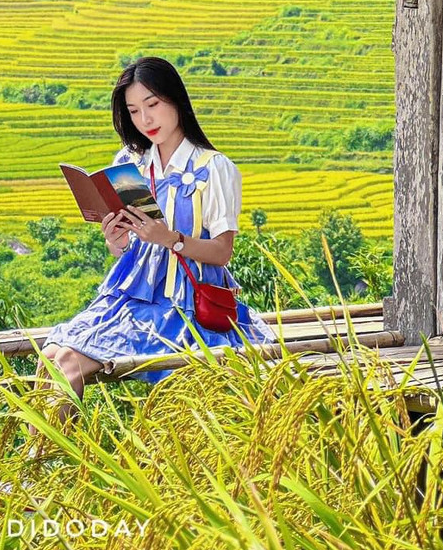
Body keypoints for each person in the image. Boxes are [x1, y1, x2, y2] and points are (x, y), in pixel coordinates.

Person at [41, 56, 274, 404]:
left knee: (67, 365)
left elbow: (223, 251)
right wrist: (116, 241)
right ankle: (48, 455)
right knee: (50, 359)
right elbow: (130, 248)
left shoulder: (214, 168)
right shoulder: (129, 164)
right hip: (127, 298)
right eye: (134, 111)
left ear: (176, 100)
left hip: (182, 305)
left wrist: (171, 240)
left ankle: (50, 457)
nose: (145, 119)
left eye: (152, 104)